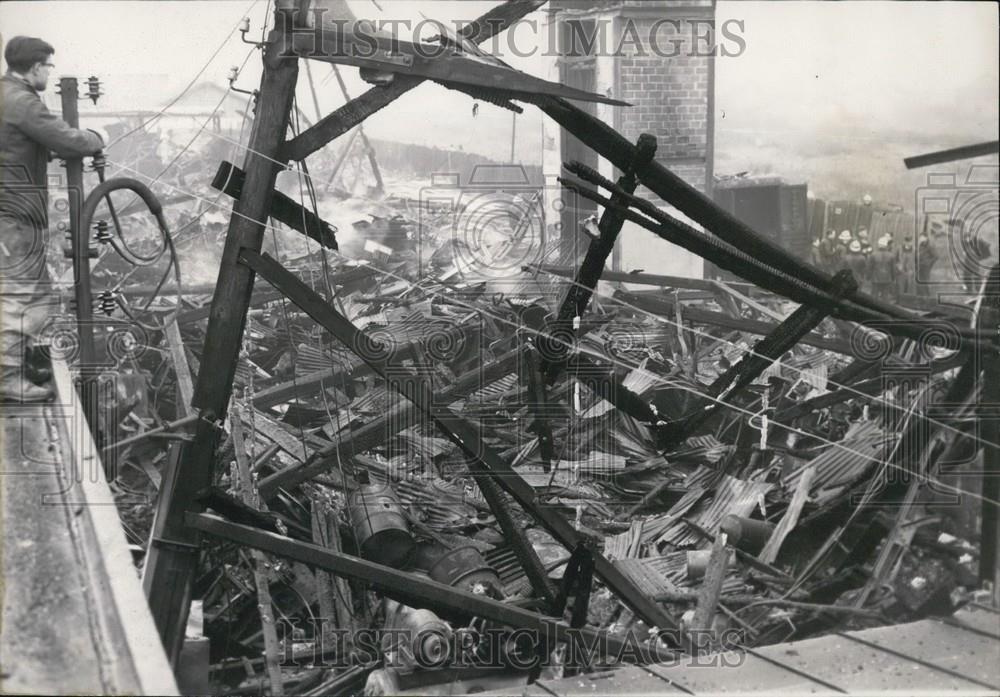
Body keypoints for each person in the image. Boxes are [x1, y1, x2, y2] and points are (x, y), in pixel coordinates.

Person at [1, 36, 104, 401]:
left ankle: (17, 362)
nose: (50, 72)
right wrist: (95, 137)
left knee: (40, 297)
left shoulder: (7, 96)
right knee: (18, 298)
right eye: (48, 65)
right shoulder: (20, 101)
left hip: (16, 216)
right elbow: (69, 140)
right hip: (14, 220)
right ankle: (7, 380)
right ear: (35, 66)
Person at [869, 236, 897, 301]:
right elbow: (893, 269)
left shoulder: (873, 255)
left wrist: (868, 277)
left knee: (874, 296)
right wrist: (893, 278)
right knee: (885, 297)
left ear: (879, 245)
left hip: (875, 279)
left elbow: (870, 268)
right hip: (887, 279)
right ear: (886, 245)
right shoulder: (891, 255)